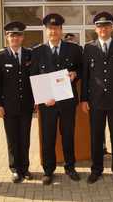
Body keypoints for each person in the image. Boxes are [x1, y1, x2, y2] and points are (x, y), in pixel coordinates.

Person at [30, 13, 82, 185]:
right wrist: (44, 98)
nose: (53, 31)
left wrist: (76, 74)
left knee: (68, 134)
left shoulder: (74, 49)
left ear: (61, 30)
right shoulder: (37, 52)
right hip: (48, 103)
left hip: (67, 102)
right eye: (50, 29)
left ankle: (70, 166)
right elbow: (34, 76)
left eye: (56, 28)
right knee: (48, 136)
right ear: (46, 31)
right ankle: (48, 170)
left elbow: (82, 69)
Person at [81, 11, 113, 184]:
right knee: (96, 136)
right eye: (99, 26)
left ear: (111, 28)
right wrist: (84, 99)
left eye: (106, 25)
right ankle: (96, 170)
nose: (103, 28)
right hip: (95, 101)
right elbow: (85, 75)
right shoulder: (89, 48)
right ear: (95, 29)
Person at [0, 21, 34, 183]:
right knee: (12, 138)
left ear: (22, 37)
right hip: (8, 107)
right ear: (7, 37)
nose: (15, 38)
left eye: (18, 35)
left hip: (26, 105)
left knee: (25, 138)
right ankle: (15, 169)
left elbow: (36, 79)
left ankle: (25, 168)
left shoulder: (30, 54)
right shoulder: (0, 56)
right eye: (11, 35)